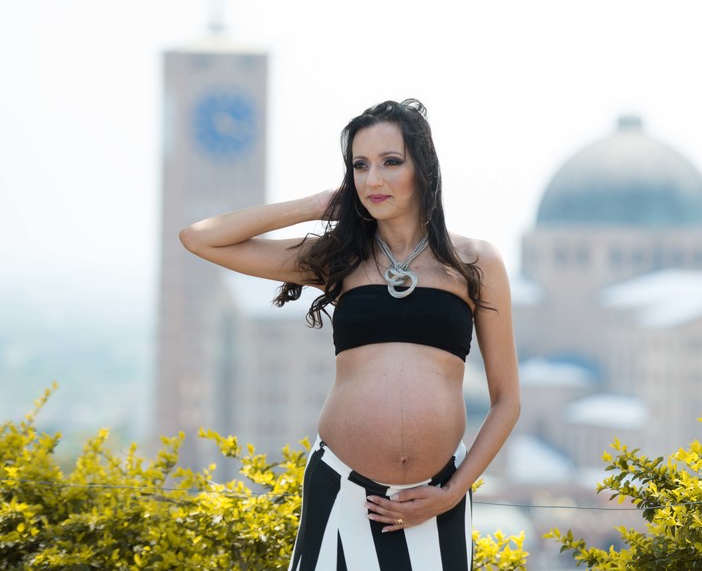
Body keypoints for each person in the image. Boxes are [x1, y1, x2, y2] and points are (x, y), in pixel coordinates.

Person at [179, 99, 520, 571]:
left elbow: (507, 400)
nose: (372, 180)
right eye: (360, 166)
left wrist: (451, 492)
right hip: (340, 490)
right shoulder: (337, 257)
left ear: (423, 167)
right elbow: (200, 238)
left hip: (433, 500)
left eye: (390, 162)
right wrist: (317, 205)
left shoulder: (475, 262)